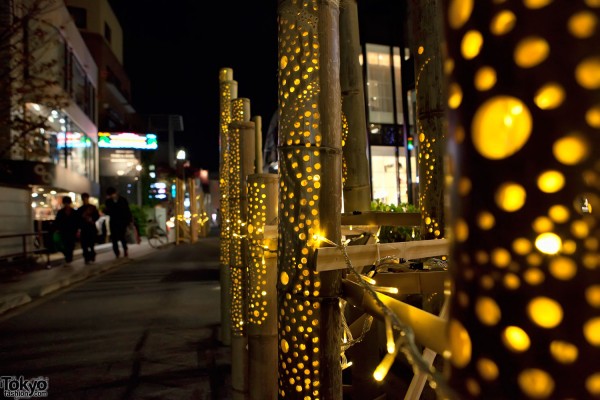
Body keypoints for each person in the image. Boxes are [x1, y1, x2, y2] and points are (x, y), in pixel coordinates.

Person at [104, 186, 133, 258]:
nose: (112, 196)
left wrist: (129, 221)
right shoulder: (108, 201)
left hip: (122, 221)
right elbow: (107, 211)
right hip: (114, 221)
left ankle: (125, 249)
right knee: (114, 238)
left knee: (122, 237)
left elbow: (127, 211)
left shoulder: (122, 200)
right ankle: (117, 252)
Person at [53, 196, 80, 266]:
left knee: (71, 245)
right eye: (66, 203)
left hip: (72, 231)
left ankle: (69, 258)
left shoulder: (74, 212)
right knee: (65, 245)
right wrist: (57, 229)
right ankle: (68, 257)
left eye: (68, 203)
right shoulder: (61, 212)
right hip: (64, 231)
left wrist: (77, 230)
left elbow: (77, 222)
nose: (67, 205)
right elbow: (57, 221)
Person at [77, 192, 100, 264]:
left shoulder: (92, 207)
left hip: (91, 228)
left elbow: (97, 216)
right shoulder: (80, 209)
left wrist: (92, 219)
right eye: (84, 199)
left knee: (91, 244)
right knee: (84, 245)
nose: (85, 200)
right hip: (84, 229)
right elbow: (78, 219)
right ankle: (87, 258)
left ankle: (92, 256)